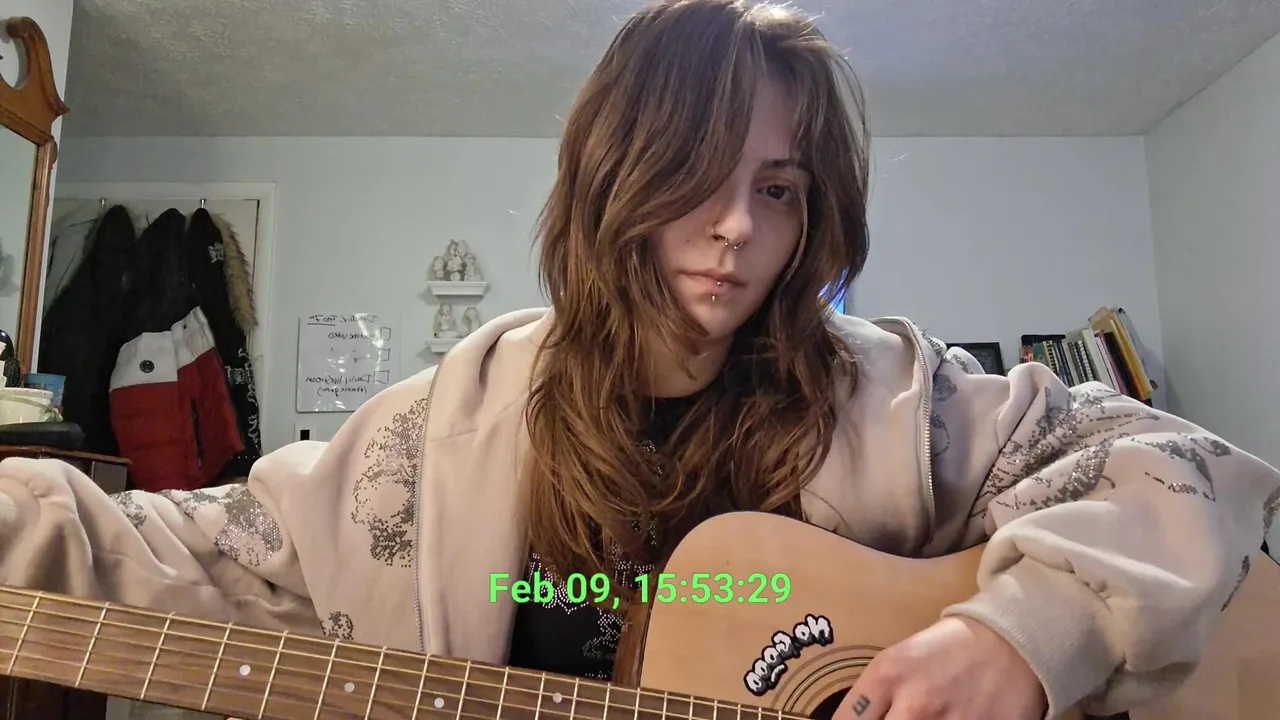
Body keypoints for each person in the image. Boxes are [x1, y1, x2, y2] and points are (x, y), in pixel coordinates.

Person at [2, 1, 1277, 719]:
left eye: (776, 189)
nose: (736, 228)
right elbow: (191, 548)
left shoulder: (899, 400)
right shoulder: (436, 434)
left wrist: (1024, 637)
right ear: (616, 179)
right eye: (696, 176)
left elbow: (1180, 463)